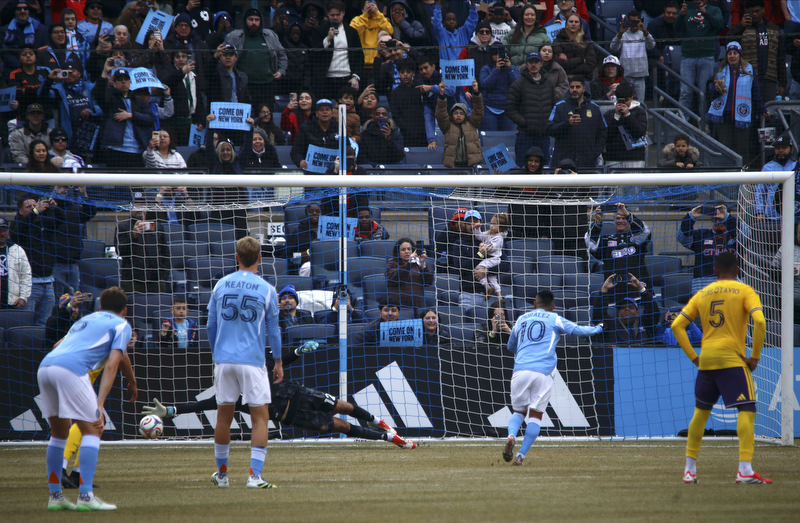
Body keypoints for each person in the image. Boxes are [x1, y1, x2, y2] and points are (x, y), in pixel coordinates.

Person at [140, 340, 416, 447]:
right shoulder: (233, 390)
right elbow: (206, 404)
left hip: (301, 393)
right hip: (292, 415)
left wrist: (297, 352)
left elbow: (280, 360)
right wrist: (173, 411)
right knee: (342, 427)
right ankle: (389, 438)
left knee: (344, 406)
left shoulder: (260, 359)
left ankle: (377, 422)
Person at [671, 252, 770, 484]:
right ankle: (744, 470)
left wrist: (695, 358)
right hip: (732, 360)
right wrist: (754, 357)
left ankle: (689, 470)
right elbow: (761, 321)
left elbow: (677, 325)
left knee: (700, 414)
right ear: (738, 270)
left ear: (715, 270)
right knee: (747, 410)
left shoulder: (702, 293)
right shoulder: (746, 291)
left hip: (707, 360)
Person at [37, 286, 136, 511]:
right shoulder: (122, 324)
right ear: (125, 310)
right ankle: (86, 496)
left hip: (46, 366)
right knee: (93, 429)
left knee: (59, 433)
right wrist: (99, 404)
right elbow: (112, 365)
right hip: (72, 370)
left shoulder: (87, 320)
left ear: (100, 307)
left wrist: (131, 380)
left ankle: (56, 497)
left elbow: (56, 345)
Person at [206, 237, 283, 489]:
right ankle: (254, 476)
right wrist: (279, 362)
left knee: (223, 418)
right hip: (251, 360)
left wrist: (216, 353)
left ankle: (223, 476)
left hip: (224, 360)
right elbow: (275, 331)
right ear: (260, 258)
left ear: (236, 258)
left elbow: (210, 325)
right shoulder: (267, 289)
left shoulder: (220, 285)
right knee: (260, 418)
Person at [502, 289, 602, 466]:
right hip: (543, 371)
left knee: (518, 411)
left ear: (534, 304)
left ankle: (511, 435)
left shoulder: (521, 319)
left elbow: (511, 345)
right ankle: (521, 456)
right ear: (553, 306)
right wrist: (598, 328)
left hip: (520, 369)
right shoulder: (555, 318)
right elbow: (578, 330)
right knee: (536, 414)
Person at [706, 41, 766, 168]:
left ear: (740, 55)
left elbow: (755, 90)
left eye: (735, 53)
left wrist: (761, 108)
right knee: (725, 146)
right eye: (729, 54)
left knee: (742, 146)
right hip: (724, 115)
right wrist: (715, 89)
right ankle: (726, 177)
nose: (732, 56)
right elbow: (711, 95)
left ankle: (743, 176)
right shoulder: (721, 70)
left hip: (742, 115)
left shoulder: (749, 69)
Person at [11, 196, 64, 327]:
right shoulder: (17, 225)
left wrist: (54, 207)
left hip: (48, 282)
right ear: (21, 211)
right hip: (29, 285)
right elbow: (17, 233)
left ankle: (43, 348)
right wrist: (35, 212)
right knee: (26, 323)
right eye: (29, 207)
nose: (34, 209)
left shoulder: (44, 223)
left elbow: (62, 219)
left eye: (35, 206)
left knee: (44, 323)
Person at [92, 65, 154, 170]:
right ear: (114, 83)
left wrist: (131, 115)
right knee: (118, 184)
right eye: (120, 80)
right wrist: (104, 73)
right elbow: (98, 94)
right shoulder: (110, 99)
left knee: (135, 184)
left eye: (126, 80)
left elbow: (150, 119)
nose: (123, 82)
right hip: (116, 149)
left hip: (137, 150)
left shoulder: (138, 101)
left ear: (130, 82)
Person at [223, 8, 287, 107]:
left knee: (266, 115)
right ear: (245, 21)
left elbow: (282, 54)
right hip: (243, 85)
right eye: (251, 19)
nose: (254, 23)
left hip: (267, 84)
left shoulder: (270, 35)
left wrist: (281, 70)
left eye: (257, 20)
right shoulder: (233, 36)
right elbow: (223, 54)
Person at [728, 0, 787, 102]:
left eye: (757, 11)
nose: (754, 14)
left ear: (763, 10)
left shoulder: (774, 29)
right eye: (752, 12)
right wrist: (740, 25)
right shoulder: (743, 28)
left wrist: (782, 82)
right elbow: (728, 40)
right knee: (748, 111)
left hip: (770, 78)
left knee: (768, 111)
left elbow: (780, 57)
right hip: (748, 77)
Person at [675, 0, 724, 120]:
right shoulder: (686, 10)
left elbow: (719, 26)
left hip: (706, 55)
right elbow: (676, 29)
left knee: (705, 92)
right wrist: (681, 15)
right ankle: (683, 122)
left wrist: (705, 13)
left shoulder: (714, 10)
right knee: (686, 92)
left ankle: (705, 123)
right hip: (688, 55)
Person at [547, 76, 607, 169]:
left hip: (587, 161)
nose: (574, 90)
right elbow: (550, 129)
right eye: (572, 87)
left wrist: (595, 152)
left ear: (584, 89)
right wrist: (567, 123)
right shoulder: (560, 106)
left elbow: (603, 131)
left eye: (577, 87)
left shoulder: (594, 108)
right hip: (564, 160)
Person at [309, 1, 364, 102]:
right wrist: (328, 39)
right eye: (332, 15)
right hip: (326, 80)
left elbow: (359, 56)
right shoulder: (319, 30)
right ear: (327, 15)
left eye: (338, 15)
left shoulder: (352, 32)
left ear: (343, 13)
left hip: (346, 78)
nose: (335, 17)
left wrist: (356, 77)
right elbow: (314, 54)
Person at [586, 203, 651, 284]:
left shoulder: (637, 239)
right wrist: (598, 221)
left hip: (637, 286)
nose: (620, 221)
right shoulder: (606, 239)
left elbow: (645, 232)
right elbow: (591, 245)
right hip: (613, 287)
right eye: (617, 218)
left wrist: (627, 214)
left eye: (623, 218)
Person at [115, 198, 171, 294]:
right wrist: (133, 236)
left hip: (156, 279)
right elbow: (119, 251)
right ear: (130, 207)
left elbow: (165, 253)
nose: (139, 209)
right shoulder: (122, 227)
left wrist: (163, 277)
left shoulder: (157, 226)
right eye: (136, 206)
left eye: (142, 205)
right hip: (132, 280)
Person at [592, 272, 661, 345]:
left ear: (637, 312)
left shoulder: (646, 323)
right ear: (618, 312)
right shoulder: (611, 325)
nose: (627, 309)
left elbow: (654, 312)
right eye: (623, 308)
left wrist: (641, 289)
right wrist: (604, 290)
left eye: (631, 307)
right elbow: (598, 316)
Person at [677, 203, 738, 282]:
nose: (717, 221)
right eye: (715, 219)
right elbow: (682, 237)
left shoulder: (736, 235)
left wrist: (727, 218)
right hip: (704, 286)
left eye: (721, 219)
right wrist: (690, 217)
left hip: (732, 286)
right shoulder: (701, 235)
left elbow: (747, 234)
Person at [435, 79, 484, 168]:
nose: (458, 116)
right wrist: (442, 95)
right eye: (455, 113)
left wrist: (476, 93)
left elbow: (478, 110)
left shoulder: (472, 123)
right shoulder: (447, 125)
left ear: (465, 115)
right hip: (453, 166)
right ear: (451, 114)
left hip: (471, 165)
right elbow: (441, 114)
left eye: (461, 113)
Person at [609, 10, 655, 102]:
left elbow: (651, 45)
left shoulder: (644, 34)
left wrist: (645, 31)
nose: (634, 24)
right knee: (625, 101)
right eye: (631, 21)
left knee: (640, 103)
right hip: (626, 76)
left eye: (636, 21)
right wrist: (620, 33)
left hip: (640, 75)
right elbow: (613, 48)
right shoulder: (623, 34)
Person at [603, 82, 649, 169]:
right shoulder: (609, 114)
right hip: (613, 158)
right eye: (620, 100)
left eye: (626, 100)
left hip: (634, 158)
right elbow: (606, 135)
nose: (623, 104)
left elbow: (639, 133)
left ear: (632, 98)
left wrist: (628, 115)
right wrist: (616, 117)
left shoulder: (639, 112)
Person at [479, 42, 519, 132]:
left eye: (500, 54)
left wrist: (509, 69)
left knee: (507, 139)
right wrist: (496, 70)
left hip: (507, 109)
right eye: (495, 54)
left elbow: (517, 85)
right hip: (490, 108)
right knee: (491, 139)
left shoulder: (513, 68)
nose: (498, 56)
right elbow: (485, 85)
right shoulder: (486, 69)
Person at [386, 237, 434, 310]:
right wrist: (409, 263)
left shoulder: (417, 264)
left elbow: (428, 282)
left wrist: (423, 263)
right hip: (399, 308)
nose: (407, 252)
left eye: (409, 249)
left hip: (417, 306)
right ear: (398, 252)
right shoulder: (392, 264)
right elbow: (394, 278)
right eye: (403, 249)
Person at [351, 0, 394, 82]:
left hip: (378, 63)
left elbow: (390, 31)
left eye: (373, 5)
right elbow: (353, 34)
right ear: (362, 9)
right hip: (361, 65)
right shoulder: (356, 20)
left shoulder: (381, 19)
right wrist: (365, 15)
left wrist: (377, 13)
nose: (370, 8)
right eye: (367, 6)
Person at [756, 133, 795, 223]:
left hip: (793, 217)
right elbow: (760, 191)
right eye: (778, 148)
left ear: (791, 149)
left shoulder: (796, 166)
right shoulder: (767, 168)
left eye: (784, 148)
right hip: (771, 217)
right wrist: (760, 211)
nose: (780, 151)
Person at [290, 98, 339, 170]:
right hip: (311, 173)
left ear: (332, 113)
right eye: (321, 110)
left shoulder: (340, 129)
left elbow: (347, 150)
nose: (325, 112)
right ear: (316, 114)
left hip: (334, 172)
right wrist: (300, 161)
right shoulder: (305, 129)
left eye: (327, 109)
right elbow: (295, 152)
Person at [473, 212, 509, 297]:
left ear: (501, 227)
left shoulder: (499, 238)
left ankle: (487, 287)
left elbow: (492, 248)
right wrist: (477, 229)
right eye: (491, 223)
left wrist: (482, 248)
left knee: (479, 268)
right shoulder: (489, 233)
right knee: (492, 278)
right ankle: (499, 296)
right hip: (488, 258)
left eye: (495, 224)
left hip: (494, 259)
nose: (492, 226)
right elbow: (480, 236)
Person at [553, 12, 596, 82]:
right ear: (566, 25)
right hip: (563, 80)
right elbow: (559, 64)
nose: (573, 24)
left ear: (580, 25)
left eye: (576, 22)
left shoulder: (587, 42)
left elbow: (590, 66)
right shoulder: (557, 41)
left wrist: (572, 73)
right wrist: (581, 60)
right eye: (571, 21)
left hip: (583, 80)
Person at [0, 216, 31, 310]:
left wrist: (23, 297)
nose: (1, 233)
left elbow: (26, 275)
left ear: (8, 231)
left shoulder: (17, 250)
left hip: (12, 302)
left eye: (4, 230)